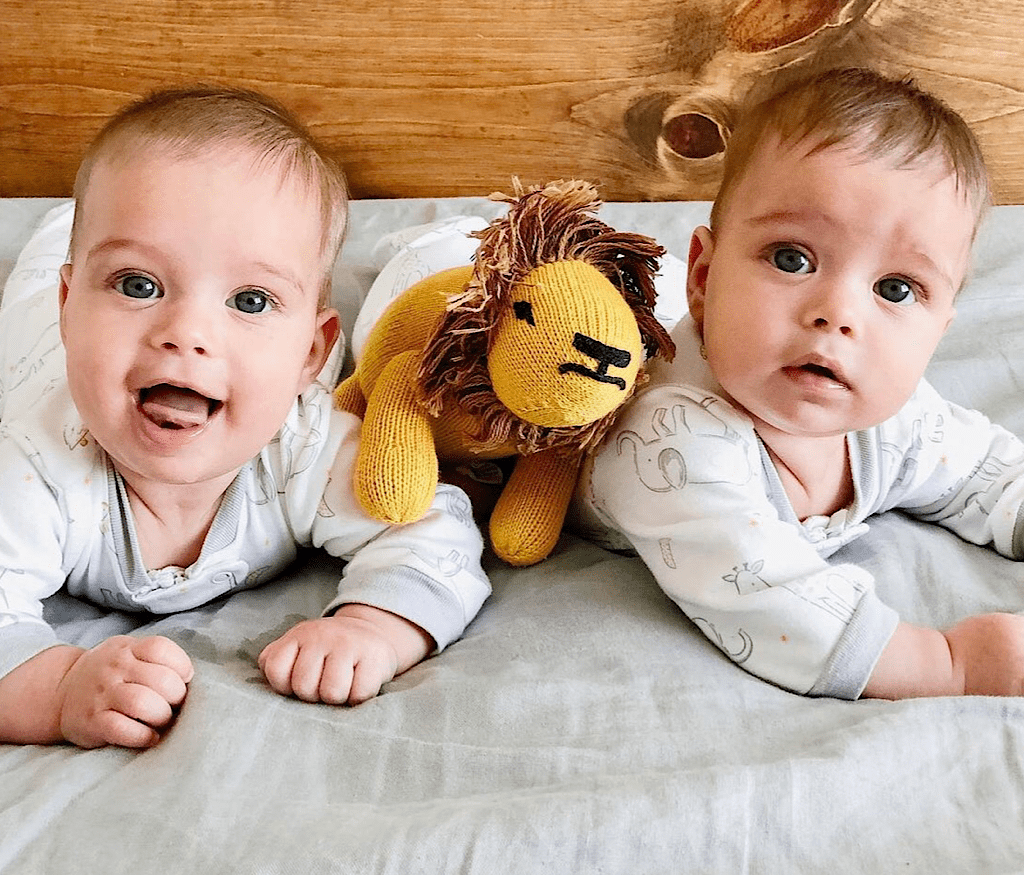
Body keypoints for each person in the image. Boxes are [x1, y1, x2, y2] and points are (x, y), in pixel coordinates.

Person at [0, 86, 490, 748]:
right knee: (49, 262)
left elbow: (429, 526)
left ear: (311, 357)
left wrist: (373, 627)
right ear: (71, 305)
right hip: (34, 344)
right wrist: (59, 689)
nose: (186, 333)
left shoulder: (304, 443)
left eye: (250, 300)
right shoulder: (31, 470)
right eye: (137, 285)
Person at [578, 67, 1024, 701]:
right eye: (792, 258)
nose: (838, 313)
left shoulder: (887, 411)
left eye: (896, 289)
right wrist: (954, 664)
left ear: (939, 331)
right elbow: (771, 605)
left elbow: (987, 474)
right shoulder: (672, 439)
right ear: (702, 279)